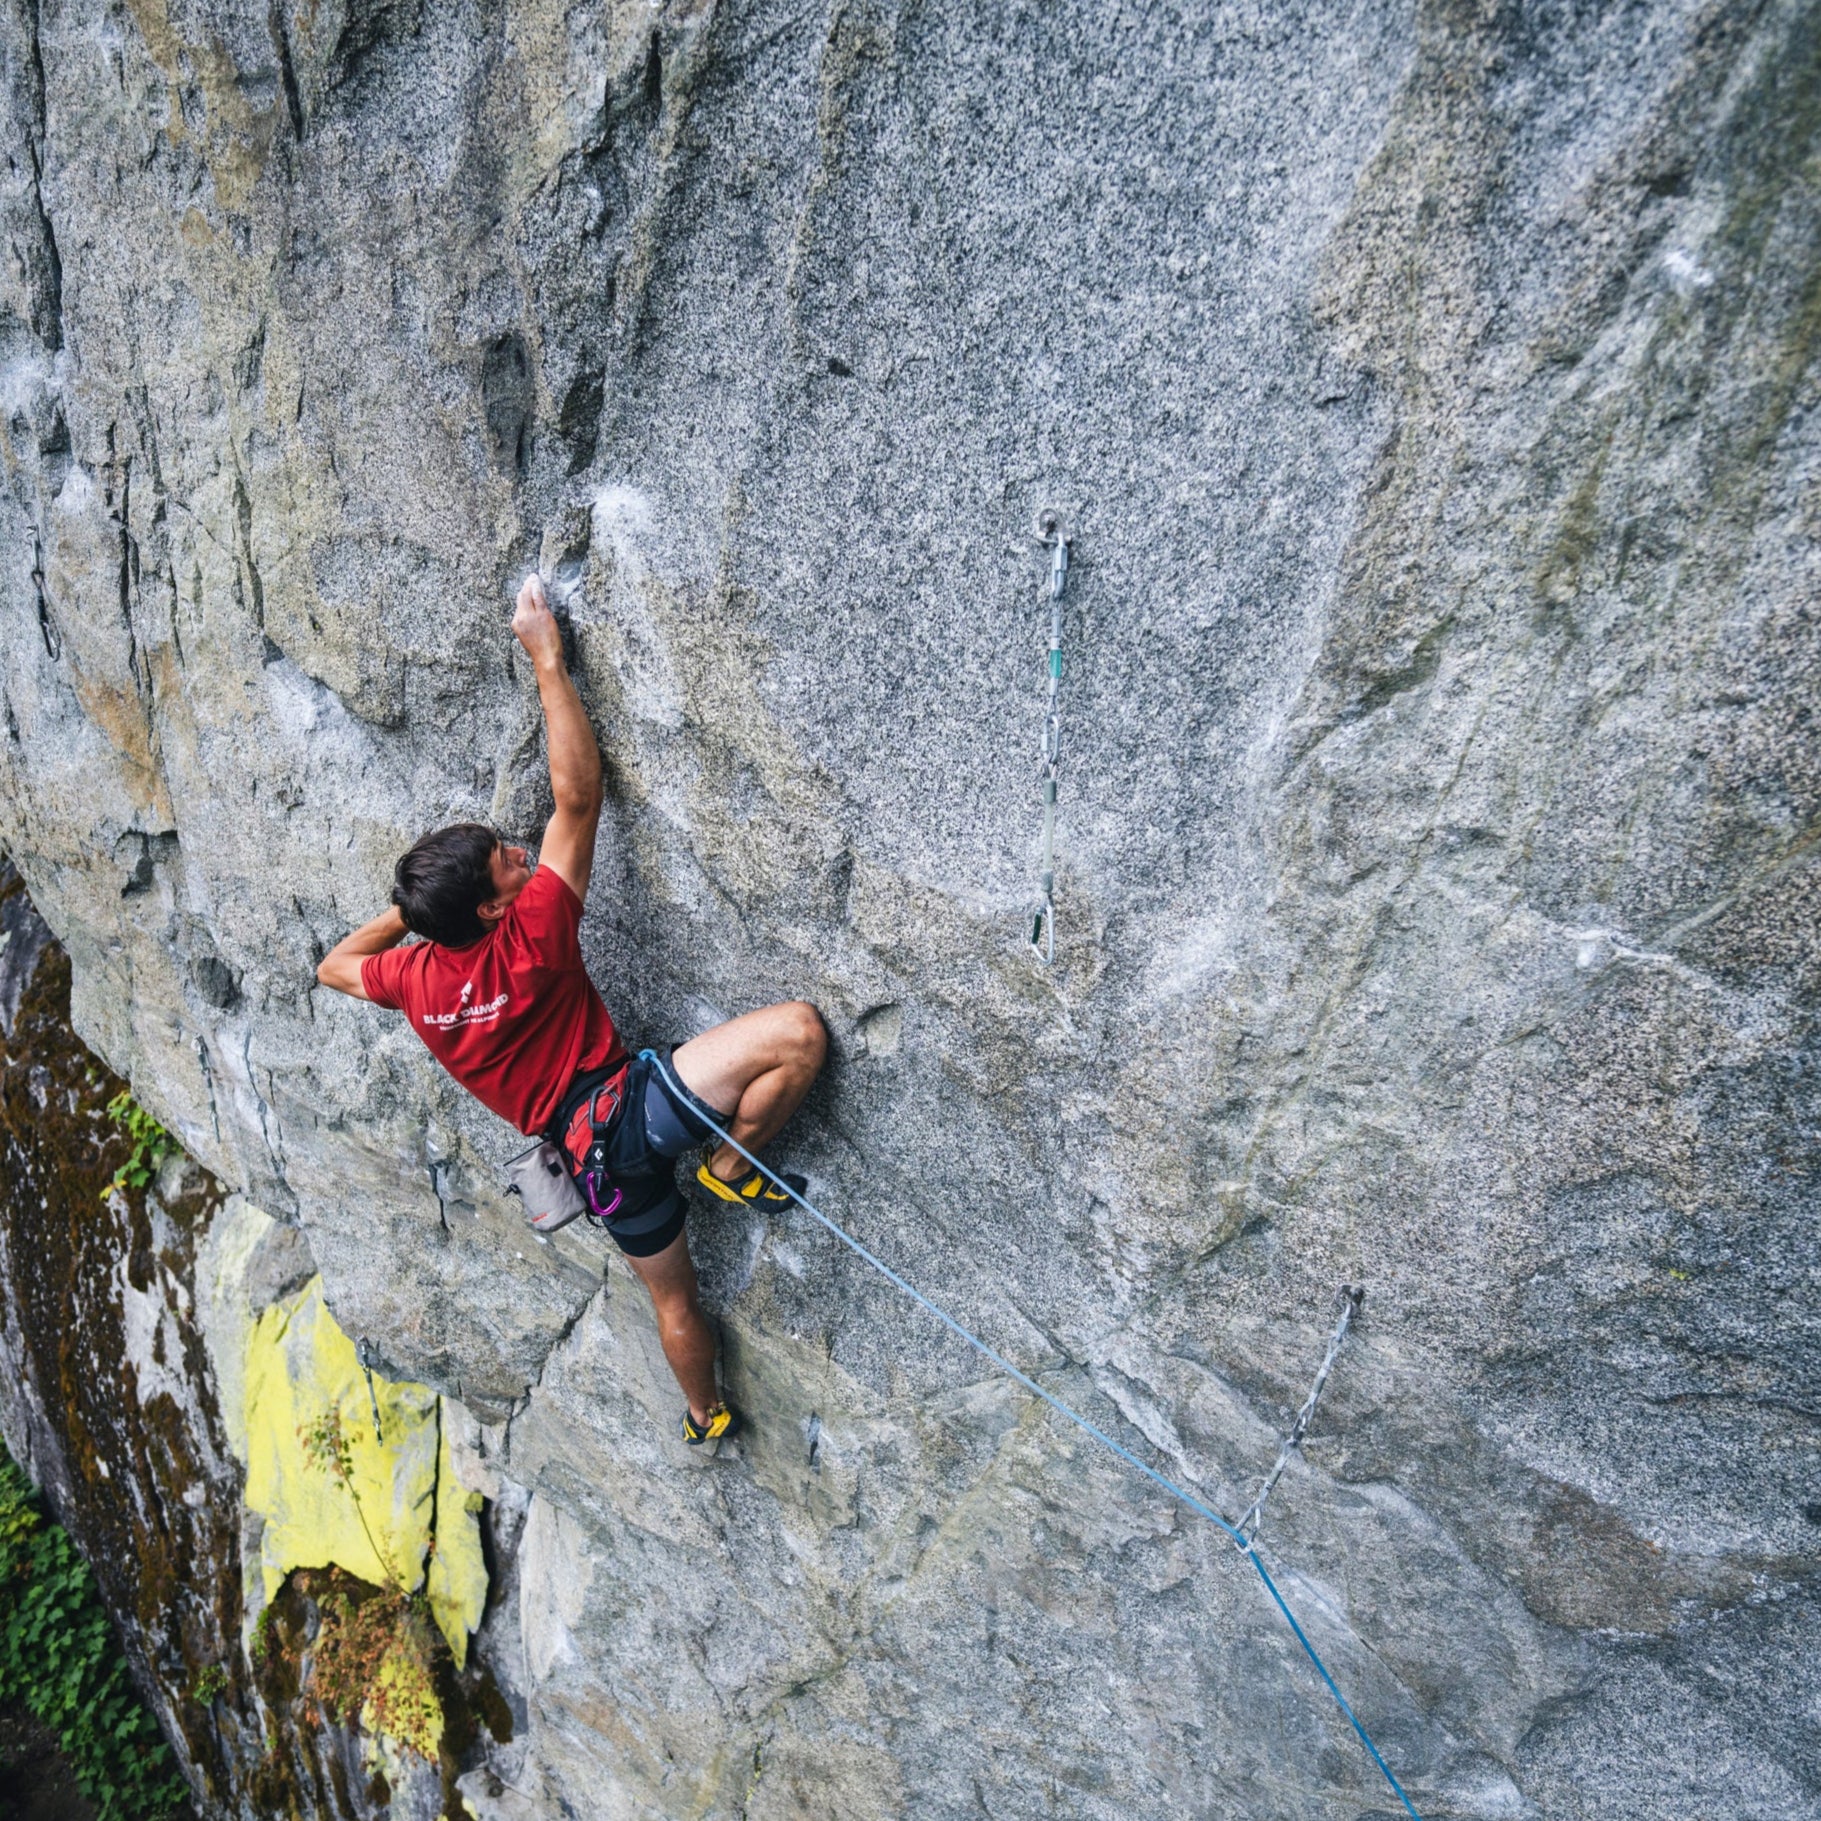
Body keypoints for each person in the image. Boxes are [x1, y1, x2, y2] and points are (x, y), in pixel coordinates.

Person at [314, 575, 826, 1446]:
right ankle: (730, 1165)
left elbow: (334, 967)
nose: (521, 852)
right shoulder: (532, 934)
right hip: (632, 1110)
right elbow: (578, 798)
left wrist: (414, 912)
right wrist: (547, 659)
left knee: (674, 1300)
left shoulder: (415, 983)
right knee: (799, 1034)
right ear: (490, 911)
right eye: (506, 864)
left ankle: (704, 1416)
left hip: (591, 1167)